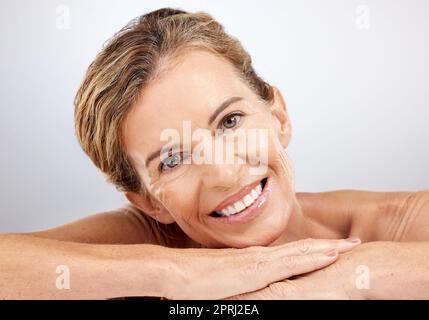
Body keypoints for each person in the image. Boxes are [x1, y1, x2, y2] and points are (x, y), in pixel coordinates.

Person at [1, 8, 428, 300]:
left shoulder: (395, 226)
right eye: (172, 160)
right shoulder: (152, 241)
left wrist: (354, 274)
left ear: (278, 114)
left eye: (229, 122)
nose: (224, 173)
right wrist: (178, 273)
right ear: (148, 201)